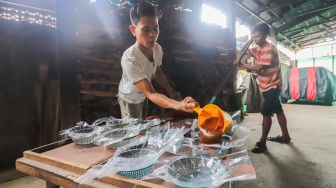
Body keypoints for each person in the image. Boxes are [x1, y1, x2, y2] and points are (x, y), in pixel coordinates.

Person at [118, 1, 196, 119]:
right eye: (145, 29)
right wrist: (179, 105)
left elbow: (156, 70)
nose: (152, 34)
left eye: (156, 28)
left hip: (143, 96)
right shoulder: (129, 58)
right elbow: (151, 93)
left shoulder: (157, 49)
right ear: (133, 30)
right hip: (129, 98)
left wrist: (170, 90)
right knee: (133, 131)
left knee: (142, 123)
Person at [237, 23, 291, 153]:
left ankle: (262, 143)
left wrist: (242, 65)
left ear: (266, 35)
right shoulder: (257, 48)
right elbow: (242, 51)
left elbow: (259, 67)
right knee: (278, 110)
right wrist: (250, 40)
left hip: (273, 85)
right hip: (266, 86)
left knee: (266, 112)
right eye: (253, 36)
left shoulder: (269, 49)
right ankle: (285, 136)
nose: (255, 38)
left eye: (258, 36)